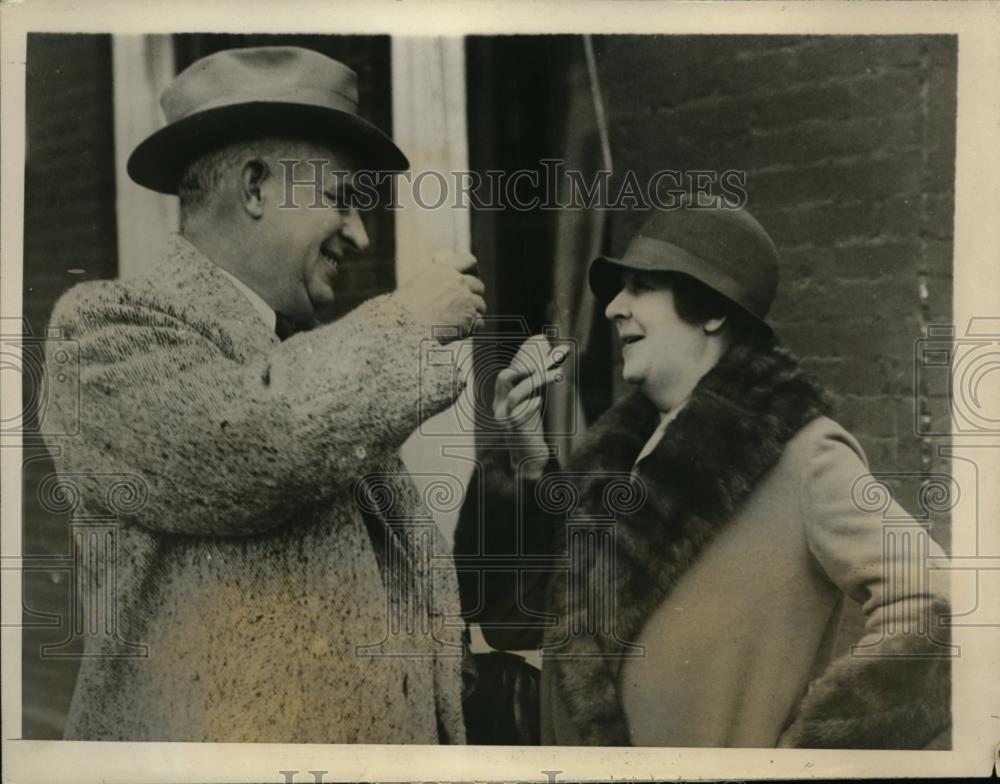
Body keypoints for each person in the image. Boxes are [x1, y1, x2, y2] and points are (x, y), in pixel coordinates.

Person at [42, 46, 486, 743]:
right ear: (254, 188)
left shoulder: (308, 361)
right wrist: (409, 321)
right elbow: (250, 443)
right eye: (341, 200)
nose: (361, 235)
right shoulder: (101, 332)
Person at [456, 200, 951, 748]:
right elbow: (512, 622)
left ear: (712, 310)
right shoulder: (624, 463)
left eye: (642, 286)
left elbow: (938, 608)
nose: (614, 307)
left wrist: (809, 760)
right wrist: (525, 455)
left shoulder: (804, 457)